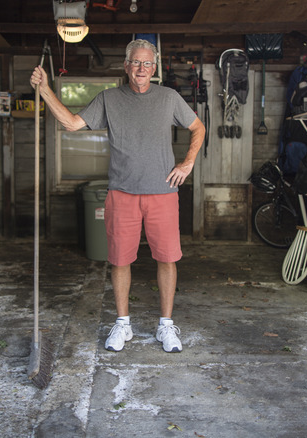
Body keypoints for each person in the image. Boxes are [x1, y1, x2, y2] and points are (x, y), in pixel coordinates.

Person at [30, 39, 205, 353]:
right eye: (136, 62)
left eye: (147, 63)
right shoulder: (108, 98)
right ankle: (122, 324)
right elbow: (70, 124)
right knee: (120, 260)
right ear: (127, 66)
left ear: (155, 68)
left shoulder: (169, 97)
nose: (141, 69)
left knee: (167, 259)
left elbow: (198, 127)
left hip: (162, 193)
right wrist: (44, 90)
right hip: (121, 194)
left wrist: (188, 162)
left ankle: (166, 326)